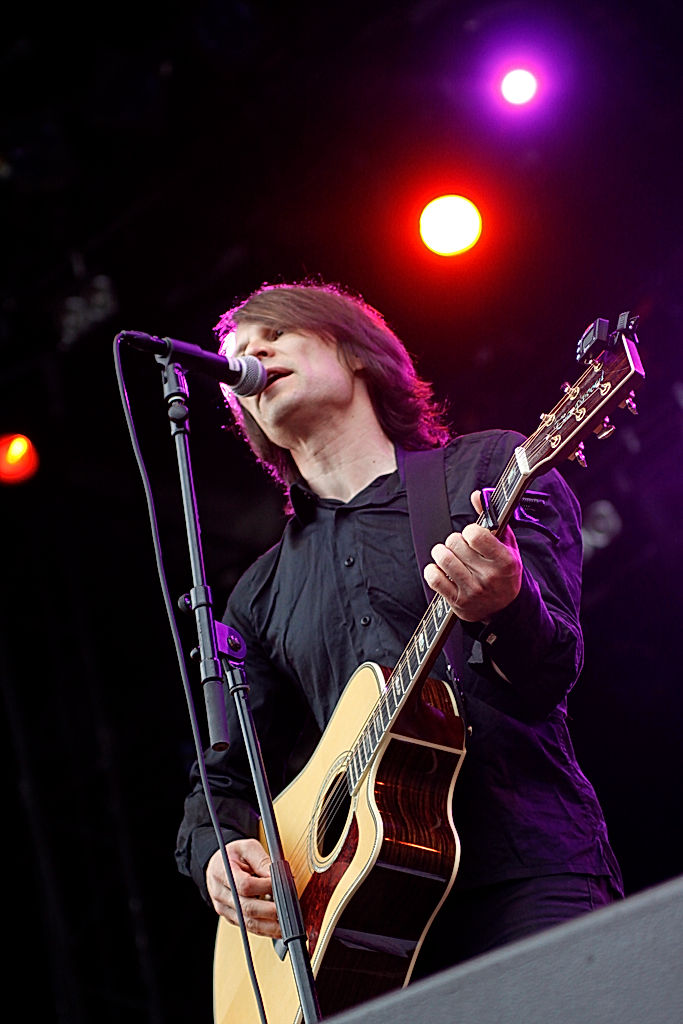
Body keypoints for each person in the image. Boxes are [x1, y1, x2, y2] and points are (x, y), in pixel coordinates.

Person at [175, 280, 623, 999]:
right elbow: (226, 774)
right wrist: (217, 854)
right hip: (361, 928)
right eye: (234, 356)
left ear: (355, 353)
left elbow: (547, 678)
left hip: (522, 872)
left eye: (273, 337)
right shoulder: (257, 594)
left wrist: (506, 605)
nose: (247, 356)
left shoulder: (483, 475)